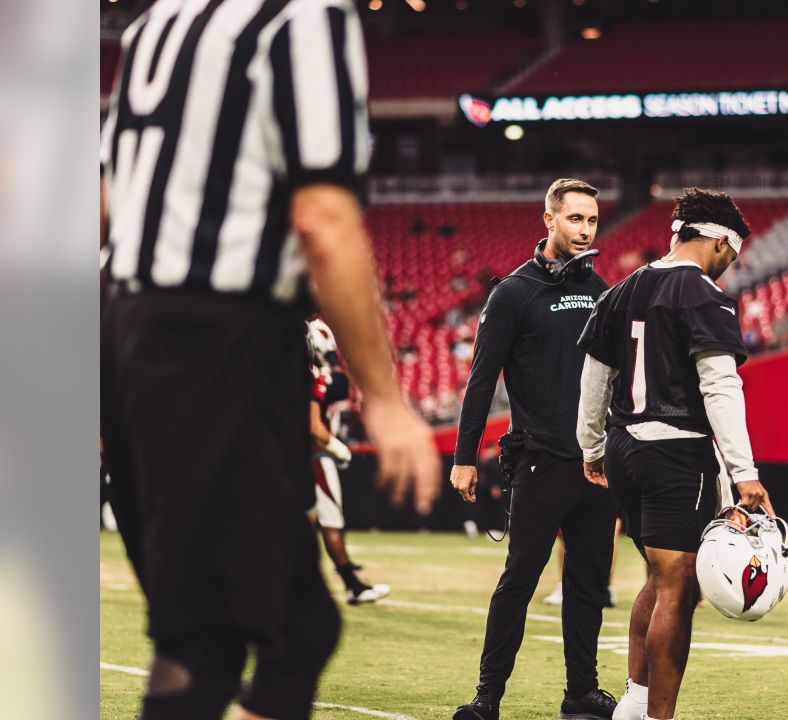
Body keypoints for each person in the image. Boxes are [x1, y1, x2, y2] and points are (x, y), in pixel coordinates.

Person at [99, 2, 442, 718]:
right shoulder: (302, 19)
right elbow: (323, 217)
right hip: (217, 337)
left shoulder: (163, 19)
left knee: (300, 626)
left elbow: (108, 196)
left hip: (128, 322)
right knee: (202, 649)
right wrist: (382, 396)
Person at [577, 188, 774, 720]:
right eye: (728, 256)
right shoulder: (703, 294)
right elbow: (720, 386)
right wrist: (744, 473)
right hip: (675, 452)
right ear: (716, 240)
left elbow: (596, 377)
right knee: (678, 589)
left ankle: (634, 702)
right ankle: (657, 715)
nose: (727, 268)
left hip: (623, 448)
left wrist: (591, 447)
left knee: (659, 578)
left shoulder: (620, 291)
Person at [450, 179, 618, 720]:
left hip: (596, 465)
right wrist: (462, 457)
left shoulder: (601, 291)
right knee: (519, 579)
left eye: (591, 220)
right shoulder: (513, 292)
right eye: (575, 219)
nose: (585, 229)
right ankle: (487, 697)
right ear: (549, 220)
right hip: (540, 461)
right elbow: (481, 381)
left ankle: (580, 695)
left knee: (588, 584)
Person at [306, 318, 391, 604]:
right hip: (311, 454)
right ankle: (350, 583)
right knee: (330, 520)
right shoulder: (318, 375)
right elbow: (315, 429)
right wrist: (338, 448)